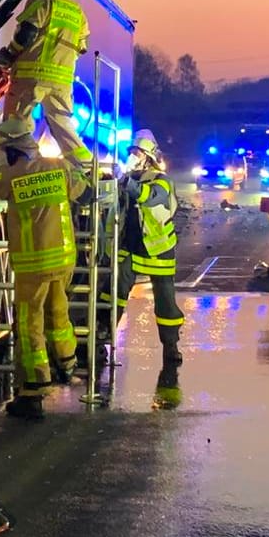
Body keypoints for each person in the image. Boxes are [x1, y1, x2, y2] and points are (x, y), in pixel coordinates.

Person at [0, 135, 89, 421]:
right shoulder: (59, 168)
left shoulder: (13, 176)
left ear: (13, 154)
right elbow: (82, 187)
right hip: (63, 259)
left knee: (29, 325)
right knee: (58, 312)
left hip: (32, 264)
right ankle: (67, 362)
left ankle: (33, 389)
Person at [0, 0, 92, 175]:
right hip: (63, 81)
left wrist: (10, 53)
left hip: (32, 74)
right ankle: (84, 165)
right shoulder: (77, 10)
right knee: (62, 123)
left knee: (17, 122)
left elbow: (26, 32)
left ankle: (24, 165)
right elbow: (81, 47)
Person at [118, 130, 184, 367]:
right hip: (131, 246)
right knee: (112, 294)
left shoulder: (161, 180)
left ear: (148, 157)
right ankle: (100, 342)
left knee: (165, 299)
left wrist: (127, 183)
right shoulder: (126, 179)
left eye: (137, 153)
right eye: (131, 152)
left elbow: (150, 197)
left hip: (159, 249)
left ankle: (171, 346)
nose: (132, 156)